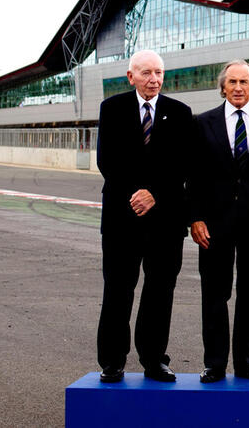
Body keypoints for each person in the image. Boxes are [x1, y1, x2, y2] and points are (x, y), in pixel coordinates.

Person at [95, 50, 193, 384]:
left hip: (165, 219)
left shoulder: (181, 113)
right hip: (122, 218)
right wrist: (135, 193)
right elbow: (107, 161)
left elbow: (183, 165)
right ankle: (112, 361)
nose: (154, 79)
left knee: (160, 291)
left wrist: (154, 193)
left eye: (159, 73)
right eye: (147, 73)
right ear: (131, 76)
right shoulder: (112, 109)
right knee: (118, 290)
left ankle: (154, 359)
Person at [186, 60, 249, 383]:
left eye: (244, 81)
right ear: (223, 87)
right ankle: (214, 363)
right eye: (232, 82)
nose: (238, 87)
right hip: (214, 225)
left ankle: (246, 360)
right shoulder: (203, 123)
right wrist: (195, 218)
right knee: (214, 294)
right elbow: (194, 176)